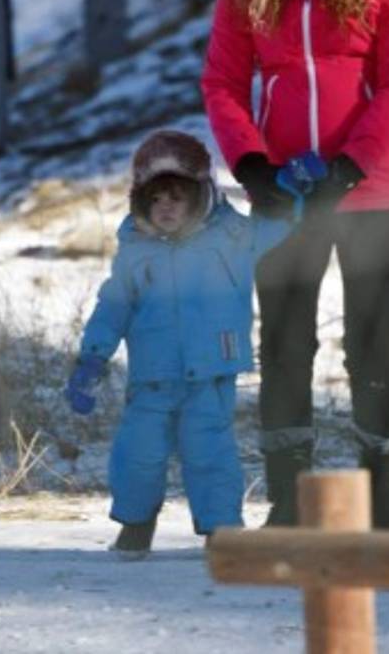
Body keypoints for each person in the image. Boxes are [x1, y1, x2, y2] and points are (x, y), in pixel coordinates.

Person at [201, 0, 389, 530]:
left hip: (379, 192)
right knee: (286, 340)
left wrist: (351, 166)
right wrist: (252, 163)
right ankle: (290, 499)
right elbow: (222, 83)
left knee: (371, 341)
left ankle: (383, 490)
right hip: (285, 196)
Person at [65, 129, 290, 557]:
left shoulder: (232, 236)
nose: (165, 207)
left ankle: (222, 534)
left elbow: (278, 229)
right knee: (137, 454)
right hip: (153, 377)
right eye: (155, 199)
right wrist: (92, 358)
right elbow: (113, 307)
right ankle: (135, 526)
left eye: (176, 197)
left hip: (210, 374)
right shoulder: (135, 250)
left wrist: (290, 197)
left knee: (210, 456)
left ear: (200, 195)